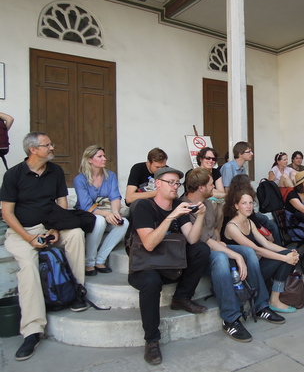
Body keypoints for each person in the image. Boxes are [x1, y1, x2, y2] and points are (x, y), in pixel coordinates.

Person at [0, 132, 87, 362]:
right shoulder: (13, 175)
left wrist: (56, 230)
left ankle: (77, 292)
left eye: (51, 143)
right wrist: (29, 238)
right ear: (33, 150)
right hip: (22, 232)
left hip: (51, 226)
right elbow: (7, 213)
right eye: (47, 145)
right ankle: (32, 330)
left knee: (76, 234)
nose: (52, 147)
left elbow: (61, 205)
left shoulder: (55, 171)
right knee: (28, 265)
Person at [182, 168, 286, 342]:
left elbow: (213, 227)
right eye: (210, 185)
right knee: (222, 258)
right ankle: (230, 319)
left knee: (248, 252)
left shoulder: (208, 203)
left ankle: (261, 305)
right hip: (200, 255)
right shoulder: (185, 206)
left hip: (215, 245)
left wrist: (220, 239)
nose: (214, 187)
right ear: (201, 188)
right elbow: (202, 240)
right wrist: (234, 255)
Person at [128, 167, 210, 365]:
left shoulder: (179, 205)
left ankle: (181, 297)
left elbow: (191, 239)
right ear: (158, 183)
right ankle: (152, 340)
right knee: (150, 281)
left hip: (170, 264)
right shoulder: (143, 206)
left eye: (177, 183)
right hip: (145, 266)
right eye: (171, 182)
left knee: (201, 249)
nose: (175, 187)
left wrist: (199, 216)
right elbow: (148, 244)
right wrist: (171, 217)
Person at [224, 189, 299, 313]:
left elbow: (266, 243)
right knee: (286, 257)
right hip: (246, 274)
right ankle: (274, 300)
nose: (248, 206)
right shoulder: (232, 226)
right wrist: (285, 257)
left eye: (250, 203)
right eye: (244, 203)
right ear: (236, 206)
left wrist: (288, 252)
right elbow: (257, 249)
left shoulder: (249, 222)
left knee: (291, 251)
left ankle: (275, 297)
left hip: (257, 264)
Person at [74, 145, 129, 276]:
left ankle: (100, 260)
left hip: (107, 210)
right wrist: (106, 214)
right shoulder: (80, 180)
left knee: (124, 223)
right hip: (87, 215)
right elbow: (86, 205)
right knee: (99, 221)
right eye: (100, 156)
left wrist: (115, 212)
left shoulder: (110, 176)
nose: (104, 159)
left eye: (104, 156)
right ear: (90, 160)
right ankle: (89, 262)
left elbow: (115, 196)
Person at [219, 142, 280, 244]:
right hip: (234, 208)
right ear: (240, 154)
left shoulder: (243, 168)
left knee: (268, 222)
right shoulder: (228, 167)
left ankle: (278, 250)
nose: (252, 154)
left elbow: (247, 190)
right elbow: (228, 191)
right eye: (249, 152)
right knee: (267, 223)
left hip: (244, 205)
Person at [221, 174, 282, 245]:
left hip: (247, 225)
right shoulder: (240, 198)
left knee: (266, 220)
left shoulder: (232, 197)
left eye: (250, 203)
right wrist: (266, 234)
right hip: (239, 234)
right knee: (270, 224)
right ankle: (278, 246)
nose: (251, 185)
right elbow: (254, 221)